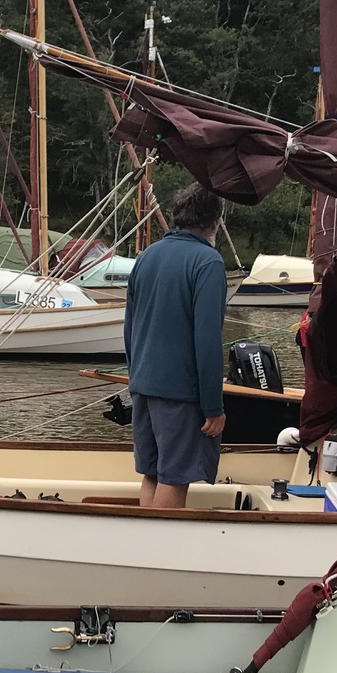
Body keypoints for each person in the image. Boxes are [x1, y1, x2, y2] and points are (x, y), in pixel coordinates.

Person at [124, 181, 228, 508]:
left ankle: (144, 537)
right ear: (215, 222)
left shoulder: (146, 257)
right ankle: (161, 540)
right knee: (175, 476)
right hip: (180, 393)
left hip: (142, 386)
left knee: (152, 473)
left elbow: (129, 328)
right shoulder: (208, 263)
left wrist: (135, 379)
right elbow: (208, 341)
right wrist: (213, 407)